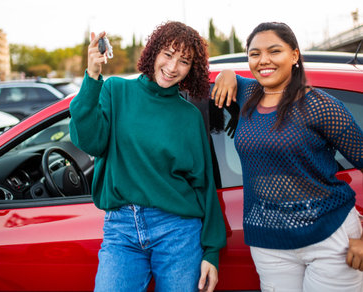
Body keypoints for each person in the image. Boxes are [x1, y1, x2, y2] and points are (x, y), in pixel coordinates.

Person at [69, 21, 226, 292]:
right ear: (153, 52)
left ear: (192, 68)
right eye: (168, 54)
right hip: (121, 230)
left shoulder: (188, 116)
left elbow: (204, 184)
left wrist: (211, 251)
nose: (173, 67)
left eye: (184, 61)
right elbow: (89, 140)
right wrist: (93, 76)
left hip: (178, 231)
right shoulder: (116, 91)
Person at [212, 22, 363, 291]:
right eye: (254, 53)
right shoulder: (248, 93)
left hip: (330, 238)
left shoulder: (320, 106)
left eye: (274, 51)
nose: (263, 60)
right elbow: (230, 78)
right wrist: (227, 72)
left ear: (294, 55)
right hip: (269, 247)